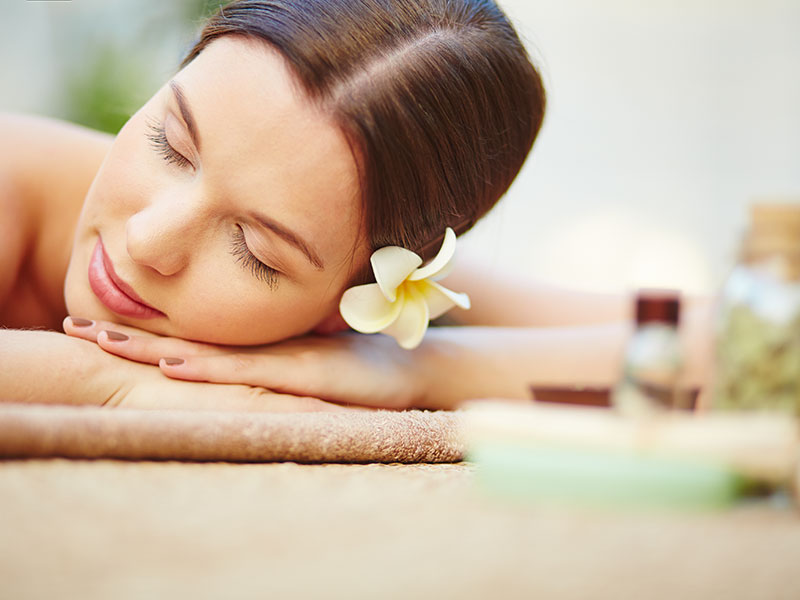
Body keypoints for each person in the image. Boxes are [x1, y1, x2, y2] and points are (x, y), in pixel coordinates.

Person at [0, 0, 711, 412]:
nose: (152, 238)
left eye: (256, 250)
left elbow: (754, 348)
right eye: (171, 144)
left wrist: (418, 369)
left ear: (348, 308)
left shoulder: (368, 286)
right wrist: (108, 384)